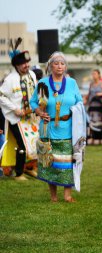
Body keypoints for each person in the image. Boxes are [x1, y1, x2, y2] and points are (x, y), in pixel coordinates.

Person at [30, 51, 84, 202]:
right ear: (50, 66)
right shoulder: (43, 83)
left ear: (65, 66)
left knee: (67, 162)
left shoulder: (72, 83)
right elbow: (34, 101)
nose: (60, 66)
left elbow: (79, 101)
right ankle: (53, 196)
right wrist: (39, 112)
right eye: (56, 63)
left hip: (68, 128)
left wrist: (77, 109)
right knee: (50, 162)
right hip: (48, 127)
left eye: (62, 63)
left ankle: (67, 195)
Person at [0, 39, 38, 180]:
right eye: (23, 64)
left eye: (27, 63)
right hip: (16, 118)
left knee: (34, 143)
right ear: (16, 65)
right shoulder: (10, 79)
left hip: (31, 117)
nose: (26, 66)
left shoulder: (32, 75)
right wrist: (14, 108)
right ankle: (19, 173)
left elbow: (35, 93)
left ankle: (29, 167)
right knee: (22, 145)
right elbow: (1, 96)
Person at [86, 69, 102, 145]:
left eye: (95, 74)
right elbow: (89, 94)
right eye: (92, 74)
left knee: (99, 121)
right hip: (92, 105)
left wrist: (101, 94)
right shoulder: (91, 84)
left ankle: (100, 138)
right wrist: (86, 102)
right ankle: (92, 138)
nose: (93, 75)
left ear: (99, 75)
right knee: (91, 121)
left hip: (99, 105)